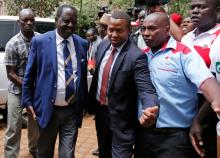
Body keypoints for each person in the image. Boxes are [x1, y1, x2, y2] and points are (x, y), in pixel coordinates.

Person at [135, 12, 220, 158]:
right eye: (144, 29)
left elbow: (206, 79)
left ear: (167, 30)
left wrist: (216, 98)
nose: (146, 33)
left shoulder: (184, 54)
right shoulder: (141, 55)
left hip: (174, 139)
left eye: (152, 29)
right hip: (144, 135)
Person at [88, 10, 159, 158]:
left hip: (122, 121)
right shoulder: (103, 45)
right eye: (111, 30)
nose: (113, 35)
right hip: (101, 115)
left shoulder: (136, 56)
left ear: (129, 30)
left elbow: (145, 87)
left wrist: (150, 106)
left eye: (119, 31)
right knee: (103, 152)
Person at [21, 4, 88, 157]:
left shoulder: (82, 44)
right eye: (66, 21)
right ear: (56, 20)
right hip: (47, 110)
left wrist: (83, 103)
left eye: (74, 21)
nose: (70, 25)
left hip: (71, 111)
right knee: (44, 152)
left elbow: (82, 77)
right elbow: (29, 75)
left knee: (67, 154)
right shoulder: (40, 42)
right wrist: (28, 102)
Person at [181, 0, 220, 157]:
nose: (195, 11)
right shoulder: (186, 39)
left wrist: (198, 120)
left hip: (207, 109)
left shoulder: (217, 39)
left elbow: (217, 86)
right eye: (192, 7)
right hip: (185, 105)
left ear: (217, 9)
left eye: (202, 7)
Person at [4, 8, 39, 158]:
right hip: (16, 91)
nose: (29, 22)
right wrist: (27, 87)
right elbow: (10, 73)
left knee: (36, 125)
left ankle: (34, 150)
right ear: (19, 22)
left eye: (31, 19)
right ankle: (11, 155)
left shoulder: (41, 40)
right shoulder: (12, 44)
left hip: (36, 92)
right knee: (13, 127)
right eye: (25, 20)